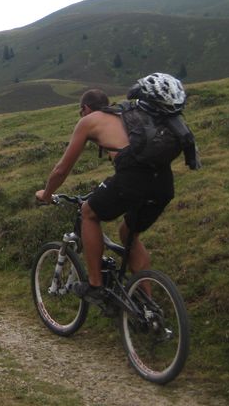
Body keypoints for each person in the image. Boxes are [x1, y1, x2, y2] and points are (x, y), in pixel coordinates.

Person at [35, 87, 175, 303]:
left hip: (133, 178)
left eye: (81, 112)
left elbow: (62, 169)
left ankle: (95, 285)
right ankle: (147, 305)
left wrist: (47, 194)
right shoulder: (127, 116)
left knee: (88, 212)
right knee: (128, 234)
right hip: (163, 181)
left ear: (85, 108)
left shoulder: (88, 120)